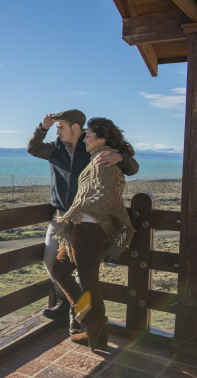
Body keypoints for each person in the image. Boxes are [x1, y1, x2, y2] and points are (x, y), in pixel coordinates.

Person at [27, 110, 138, 335]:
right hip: (63, 216)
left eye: (60, 127)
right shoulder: (55, 149)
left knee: (81, 273)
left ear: (75, 127)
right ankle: (70, 303)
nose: (57, 132)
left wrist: (122, 158)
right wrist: (42, 127)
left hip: (86, 221)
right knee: (54, 263)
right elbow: (32, 148)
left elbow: (129, 169)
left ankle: (80, 318)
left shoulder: (93, 152)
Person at [50, 117, 135, 351]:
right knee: (62, 270)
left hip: (89, 228)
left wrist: (80, 211)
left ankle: (95, 326)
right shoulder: (102, 156)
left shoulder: (102, 157)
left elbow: (103, 194)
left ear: (102, 139)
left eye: (88, 135)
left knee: (87, 282)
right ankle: (94, 327)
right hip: (85, 228)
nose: (85, 139)